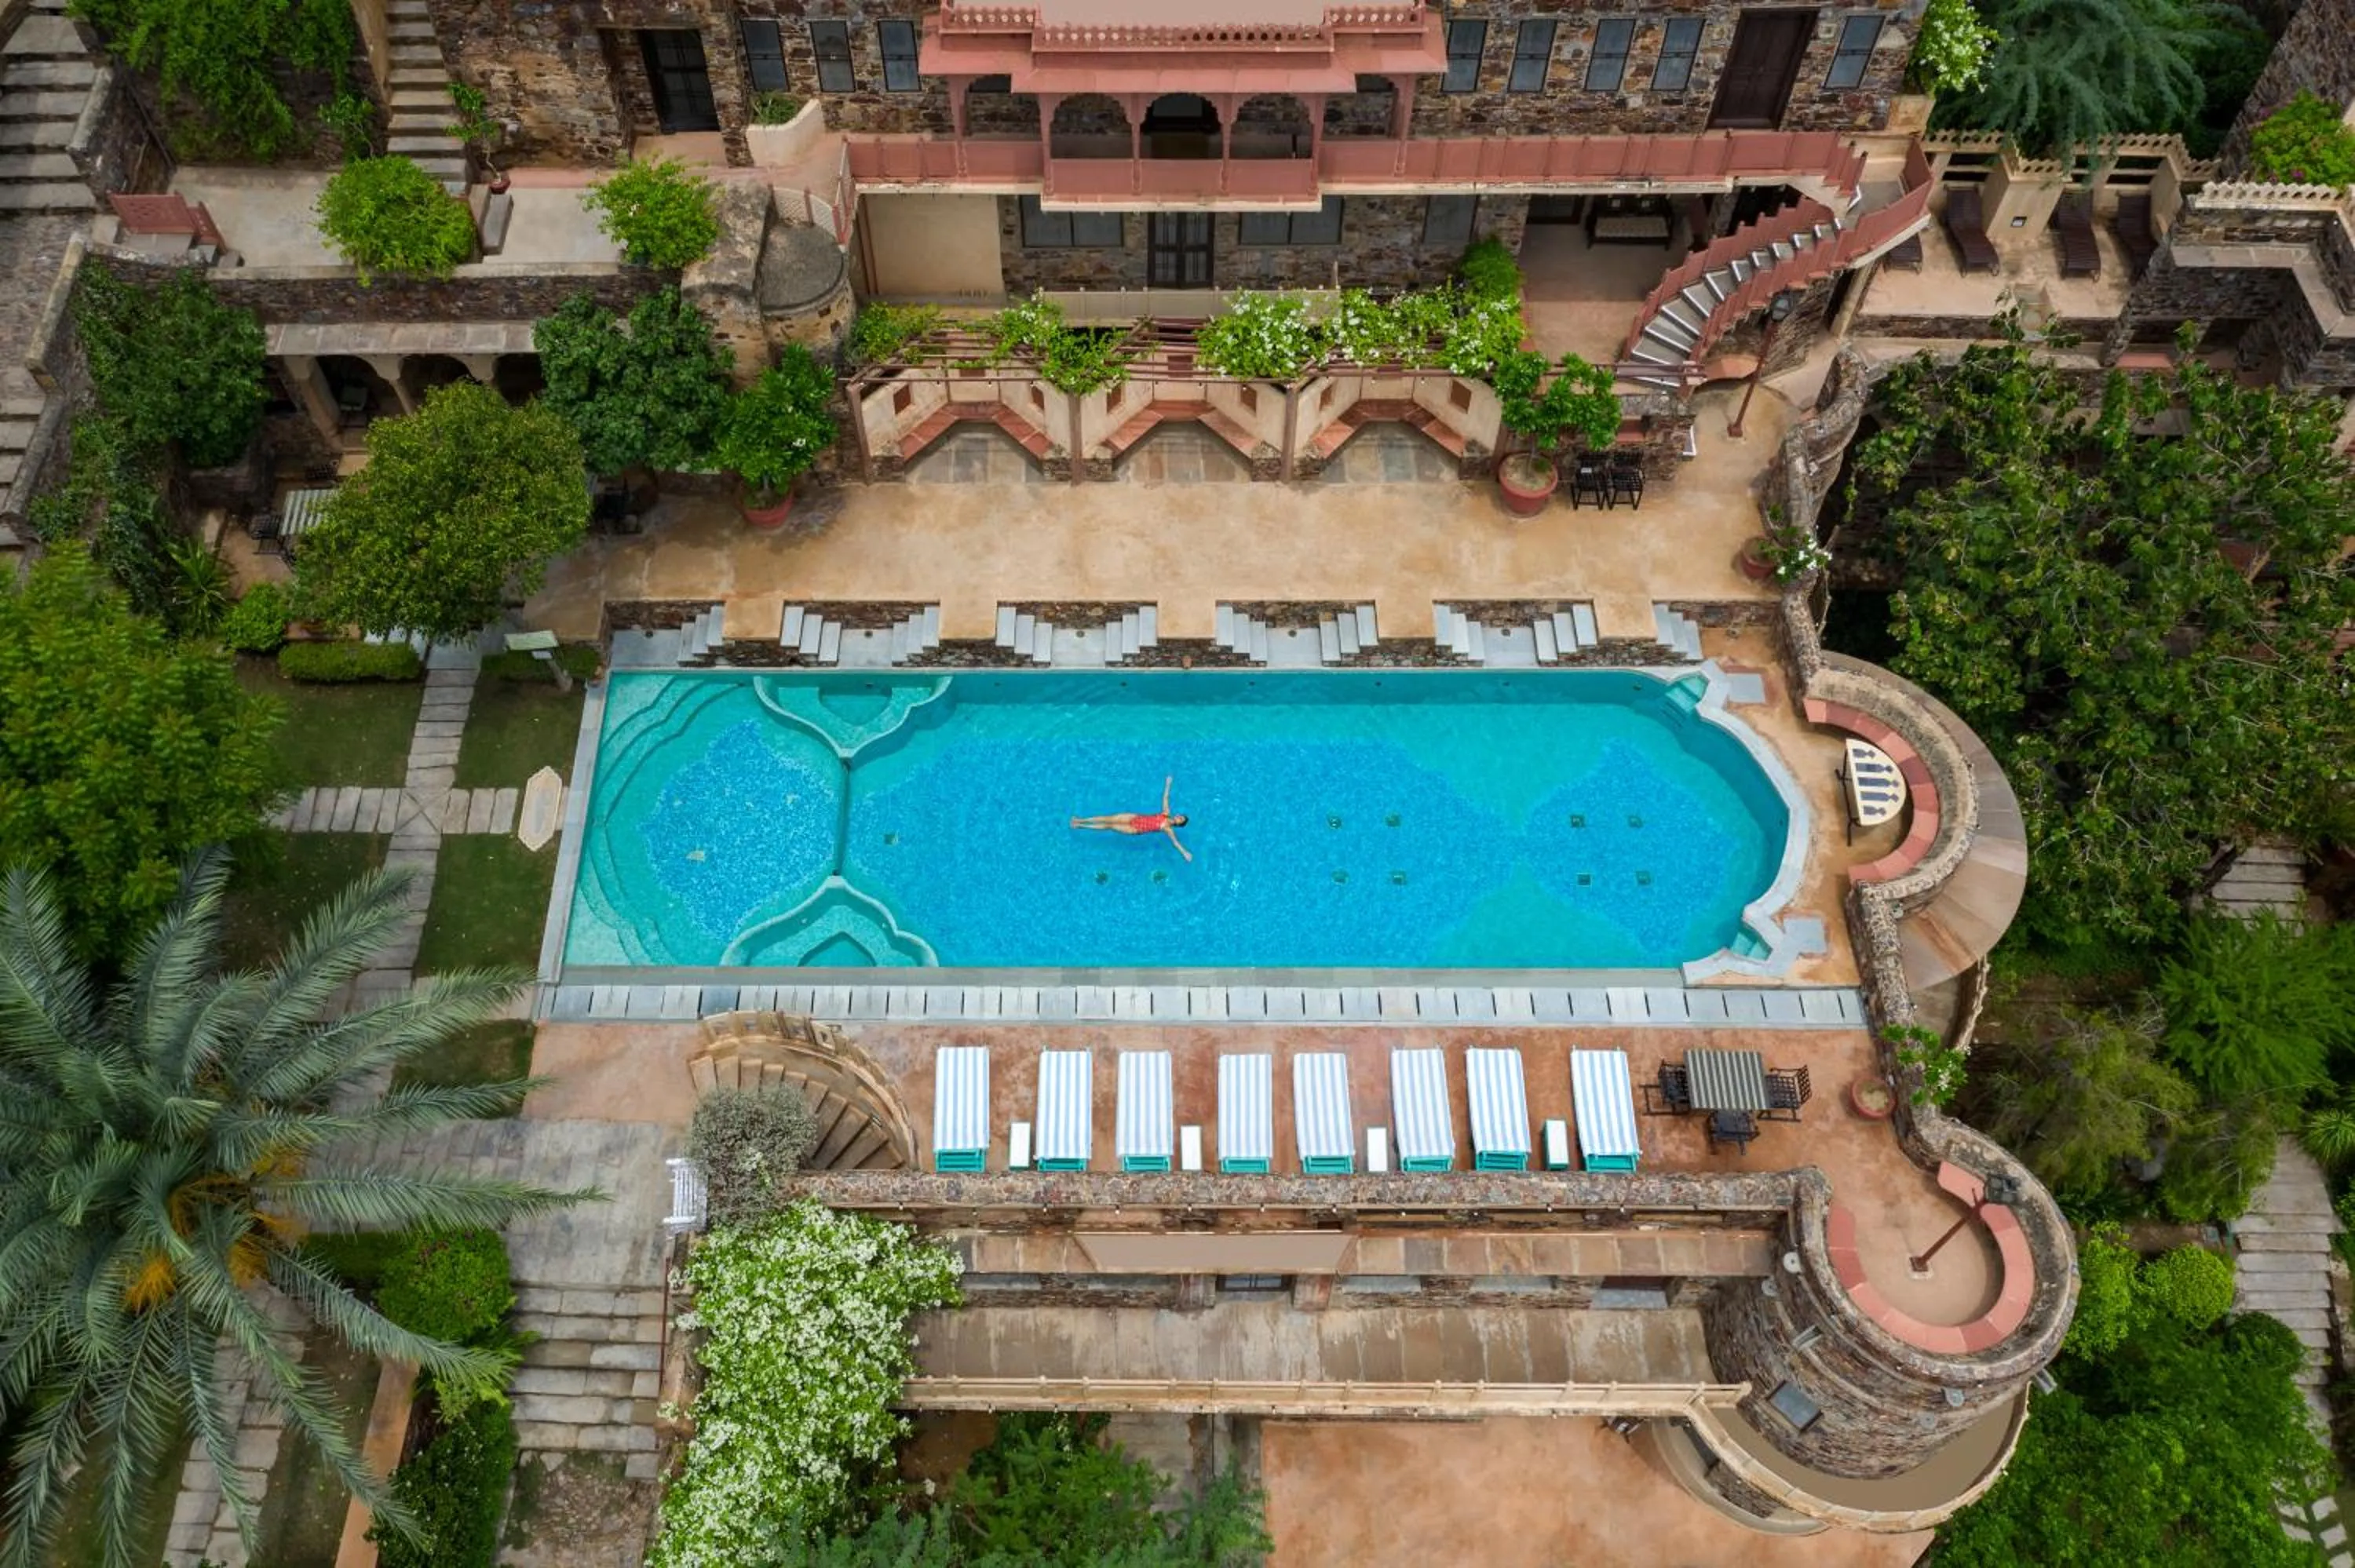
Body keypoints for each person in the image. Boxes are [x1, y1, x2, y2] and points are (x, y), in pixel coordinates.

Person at [1072, 776, 1191, 862]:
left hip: (1135, 829)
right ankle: (1081, 820)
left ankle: (1081, 826)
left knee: (1110, 826)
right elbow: (1165, 798)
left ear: (1178, 824)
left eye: (1181, 820)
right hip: (1135, 817)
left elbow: (1176, 843)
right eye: (1180, 816)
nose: (1179, 818)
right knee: (1109, 818)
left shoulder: (1168, 829)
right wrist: (1168, 784)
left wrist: (1185, 853)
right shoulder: (1166, 813)